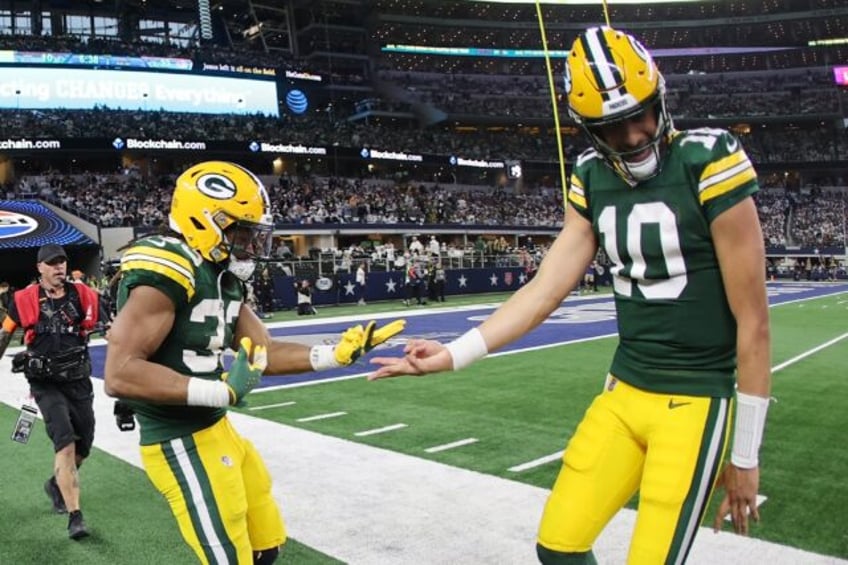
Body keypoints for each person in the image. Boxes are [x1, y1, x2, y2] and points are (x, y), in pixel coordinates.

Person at [369, 26, 771, 565]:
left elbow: (754, 323)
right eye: (613, 126)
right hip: (624, 391)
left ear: (660, 97)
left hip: (696, 398)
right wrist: (454, 354)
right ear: (587, 128)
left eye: (641, 114)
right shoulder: (590, 175)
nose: (633, 136)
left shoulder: (708, 159)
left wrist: (745, 455)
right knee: (558, 547)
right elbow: (543, 291)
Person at [103, 161, 404, 565]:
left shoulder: (221, 276)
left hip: (216, 427)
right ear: (203, 221)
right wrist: (222, 390)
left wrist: (335, 354)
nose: (248, 242)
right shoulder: (169, 266)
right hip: (178, 439)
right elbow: (120, 373)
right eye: (240, 230)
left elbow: (262, 350)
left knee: (266, 543)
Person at [0, 243, 109, 540]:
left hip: (78, 381)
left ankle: (55, 484)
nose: (59, 267)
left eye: (62, 262)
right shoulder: (23, 300)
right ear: (40, 268)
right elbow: (5, 334)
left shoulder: (85, 296)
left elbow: (113, 329)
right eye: (52, 263)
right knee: (65, 443)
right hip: (45, 384)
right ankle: (76, 516)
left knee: (84, 444)